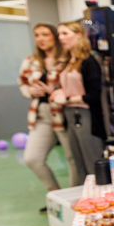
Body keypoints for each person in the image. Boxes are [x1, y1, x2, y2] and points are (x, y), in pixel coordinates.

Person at [18, 23, 76, 197]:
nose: (40, 39)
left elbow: (78, 84)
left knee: (72, 159)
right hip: (41, 114)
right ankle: (56, 195)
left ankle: (74, 197)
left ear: (55, 37)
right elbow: (22, 83)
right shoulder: (31, 60)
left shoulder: (67, 58)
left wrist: (56, 92)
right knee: (32, 158)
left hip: (64, 114)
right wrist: (30, 91)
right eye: (37, 35)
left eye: (45, 34)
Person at [51, 22, 106, 186]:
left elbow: (94, 95)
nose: (61, 38)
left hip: (86, 116)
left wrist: (68, 99)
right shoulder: (68, 61)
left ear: (78, 35)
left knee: (92, 162)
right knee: (78, 162)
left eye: (65, 33)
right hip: (70, 115)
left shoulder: (89, 61)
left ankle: (100, 199)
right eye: (59, 34)